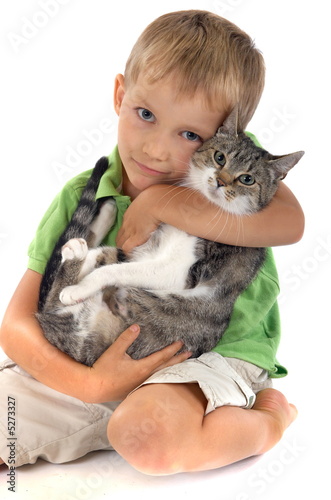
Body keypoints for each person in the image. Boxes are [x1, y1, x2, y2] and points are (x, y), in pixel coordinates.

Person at [0, 10, 302, 473]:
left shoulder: (232, 177)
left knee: (148, 439)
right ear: (120, 94)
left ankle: (269, 420)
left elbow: (293, 222)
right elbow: (17, 324)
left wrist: (160, 204)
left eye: (189, 134)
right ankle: (101, 411)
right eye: (145, 114)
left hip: (203, 357)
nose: (156, 150)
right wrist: (90, 385)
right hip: (93, 355)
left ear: (228, 136)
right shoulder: (86, 190)